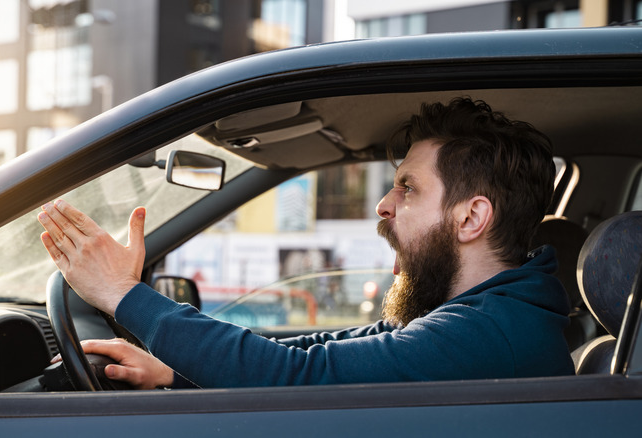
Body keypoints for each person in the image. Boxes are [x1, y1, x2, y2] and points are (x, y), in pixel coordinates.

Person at [37, 97, 575, 389]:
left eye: (408, 188)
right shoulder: (483, 314)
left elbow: (303, 377)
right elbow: (320, 349)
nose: (383, 205)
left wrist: (123, 294)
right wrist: (172, 372)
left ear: (471, 217)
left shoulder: (492, 333)